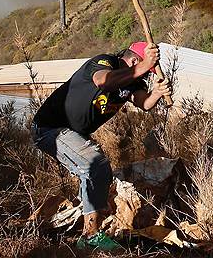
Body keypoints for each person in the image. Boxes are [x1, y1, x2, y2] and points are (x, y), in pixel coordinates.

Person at [32, 41, 171, 251]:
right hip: (50, 128)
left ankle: (87, 228)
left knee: (96, 171)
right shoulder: (105, 62)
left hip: (73, 133)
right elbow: (103, 81)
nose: (144, 77)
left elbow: (144, 103)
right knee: (96, 165)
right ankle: (90, 236)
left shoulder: (133, 82)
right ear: (134, 60)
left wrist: (157, 93)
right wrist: (142, 68)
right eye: (144, 70)